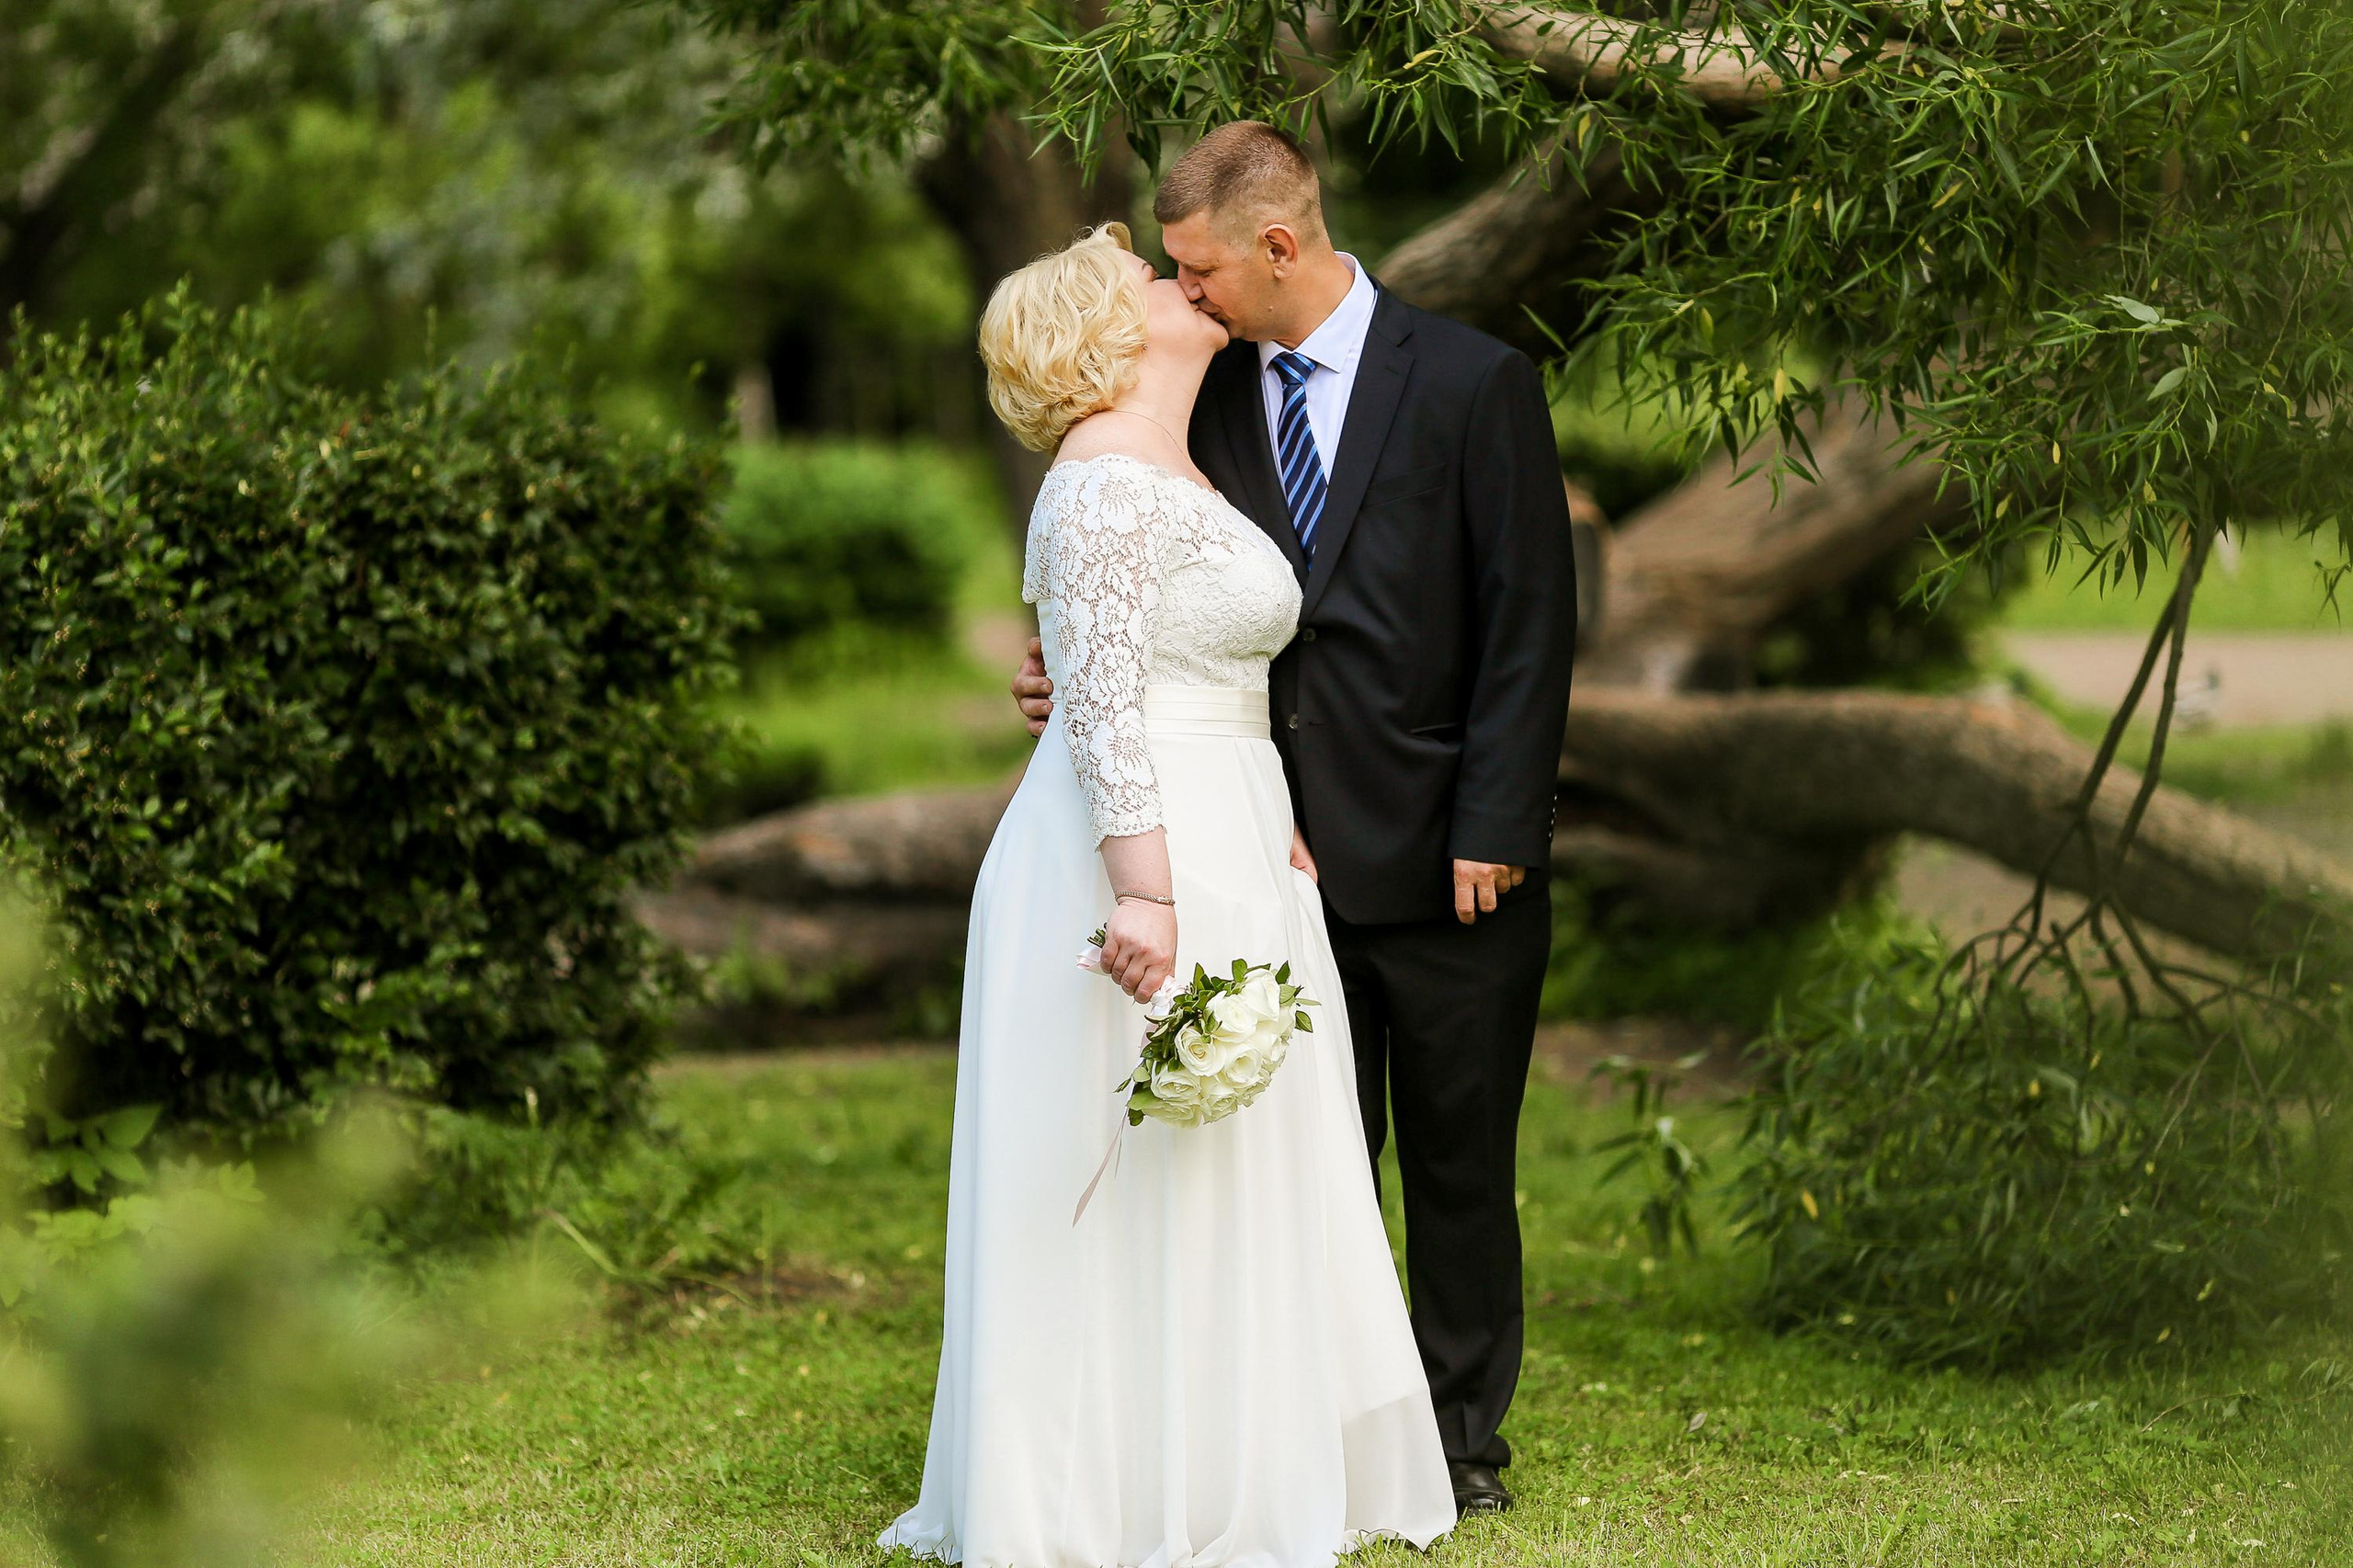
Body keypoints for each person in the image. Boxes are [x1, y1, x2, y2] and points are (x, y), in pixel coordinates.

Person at [1013, 121, 1579, 1515]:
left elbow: (1530, 621)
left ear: (1278, 244)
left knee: (1459, 1160)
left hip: (1449, 853)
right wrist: (1066, 666)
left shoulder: (1473, 382)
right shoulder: (1194, 391)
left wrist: (1496, 822)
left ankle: (1457, 1439)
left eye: (1200, 267)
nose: (1184, 291)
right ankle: (1312, 1429)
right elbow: (1139, 579)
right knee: (1300, 1167)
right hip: (1264, 858)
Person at [879, 219, 1457, 1567]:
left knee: (1218, 1156)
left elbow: (1156, 661)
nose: (1178, 283)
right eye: (1153, 278)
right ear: (1109, 333)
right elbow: (1103, 712)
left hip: (1233, 826)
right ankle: (1120, 1485)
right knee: (1129, 1154)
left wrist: (1276, 818)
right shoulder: (1101, 479)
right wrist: (1144, 892)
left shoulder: (1174, 462)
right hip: (1141, 852)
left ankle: (1219, 1453)